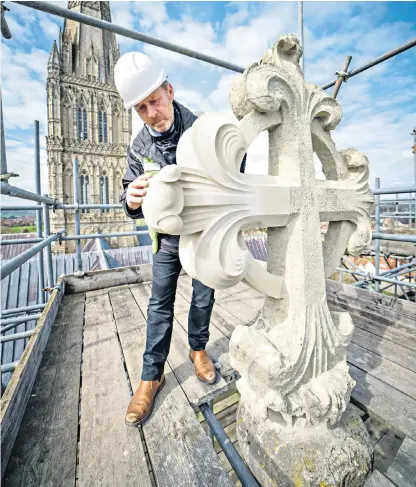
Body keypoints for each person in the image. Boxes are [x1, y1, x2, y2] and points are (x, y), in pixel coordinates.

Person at [114, 52, 219, 427]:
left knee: (204, 296)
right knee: (160, 304)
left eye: (154, 101)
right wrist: (131, 198)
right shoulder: (138, 147)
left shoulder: (202, 128)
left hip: (203, 232)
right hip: (168, 241)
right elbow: (127, 194)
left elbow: (233, 167)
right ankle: (150, 377)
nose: (150, 113)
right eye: (140, 108)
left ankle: (198, 351)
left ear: (170, 90)